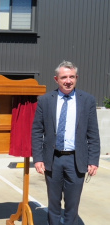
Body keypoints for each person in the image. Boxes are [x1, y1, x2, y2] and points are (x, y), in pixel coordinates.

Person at [32, 60, 100, 225]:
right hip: (53, 159)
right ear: (56, 79)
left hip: (76, 160)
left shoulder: (87, 100)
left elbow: (93, 133)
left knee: (72, 205)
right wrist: (38, 158)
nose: (68, 81)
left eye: (71, 77)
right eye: (64, 77)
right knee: (53, 203)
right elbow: (37, 131)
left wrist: (93, 160)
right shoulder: (45, 100)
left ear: (76, 77)